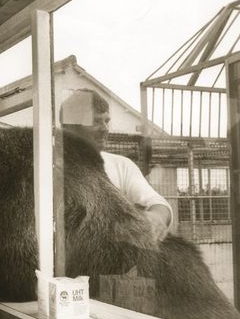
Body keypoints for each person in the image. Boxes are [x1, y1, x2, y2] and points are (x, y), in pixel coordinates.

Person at [60, 89, 173, 241]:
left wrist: (157, 217)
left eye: (106, 121)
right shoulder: (49, 167)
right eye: (95, 121)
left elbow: (156, 202)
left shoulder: (121, 165)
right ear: (71, 127)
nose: (105, 129)